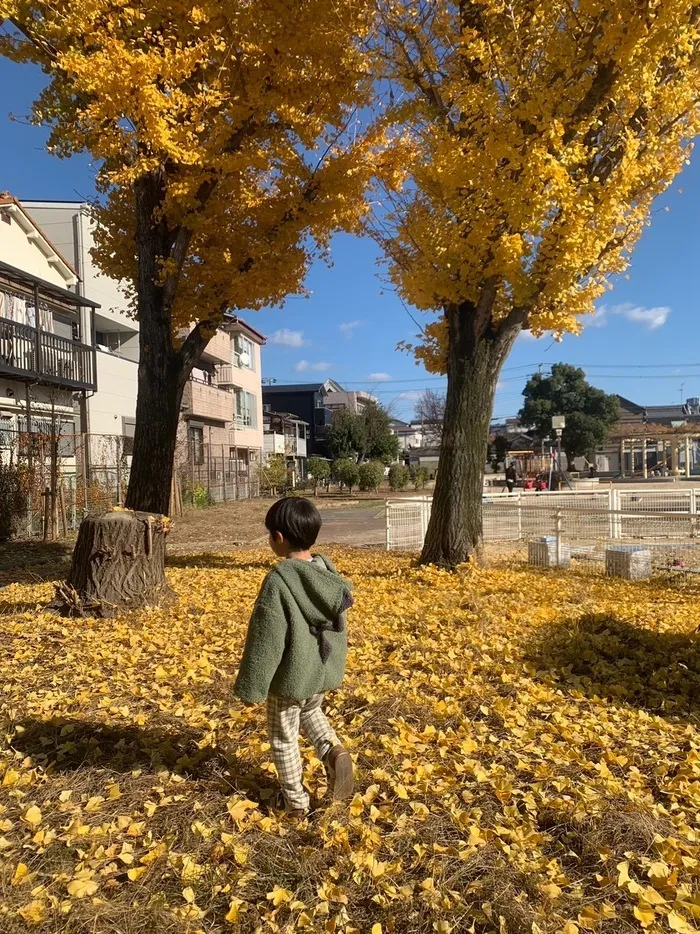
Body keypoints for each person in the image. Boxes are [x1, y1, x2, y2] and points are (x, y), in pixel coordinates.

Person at [234, 497, 354, 817]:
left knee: (283, 737)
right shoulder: (326, 573)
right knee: (312, 713)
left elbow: (266, 638)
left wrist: (252, 687)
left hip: (290, 679)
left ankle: (295, 802)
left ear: (278, 538)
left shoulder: (280, 580)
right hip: (318, 674)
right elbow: (336, 627)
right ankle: (333, 753)